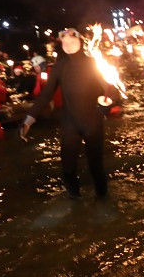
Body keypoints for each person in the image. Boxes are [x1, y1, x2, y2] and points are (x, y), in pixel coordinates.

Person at [21, 28, 111, 200]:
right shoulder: (60, 66)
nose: (68, 44)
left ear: (80, 41)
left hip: (93, 121)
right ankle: (75, 205)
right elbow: (46, 95)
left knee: (96, 167)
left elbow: (111, 89)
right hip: (70, 124)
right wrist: (29, 119)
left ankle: (103, 202)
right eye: (65, 42)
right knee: (68, 169)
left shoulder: (94, 63)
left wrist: (105, 105)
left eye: (72, 40)